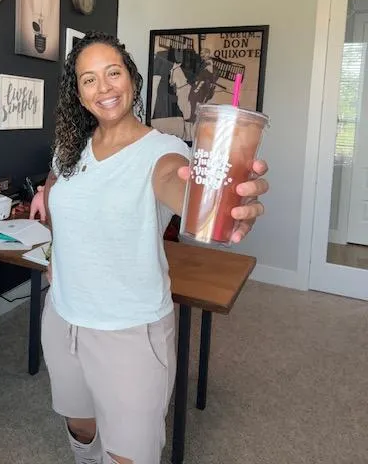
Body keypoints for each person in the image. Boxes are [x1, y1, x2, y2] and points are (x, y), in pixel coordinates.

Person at [30, 31, 269, 464]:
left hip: (131, 330)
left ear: (132, 80)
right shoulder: (70, 148)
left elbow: (178, 184)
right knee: (80, 426)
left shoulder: (164, 150)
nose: (103, 87)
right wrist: (51, 245)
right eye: (89, 79)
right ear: (79, 94)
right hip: (62, 317)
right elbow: (55, 190)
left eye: (113, 73)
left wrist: (225, 204)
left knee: (129, 455)